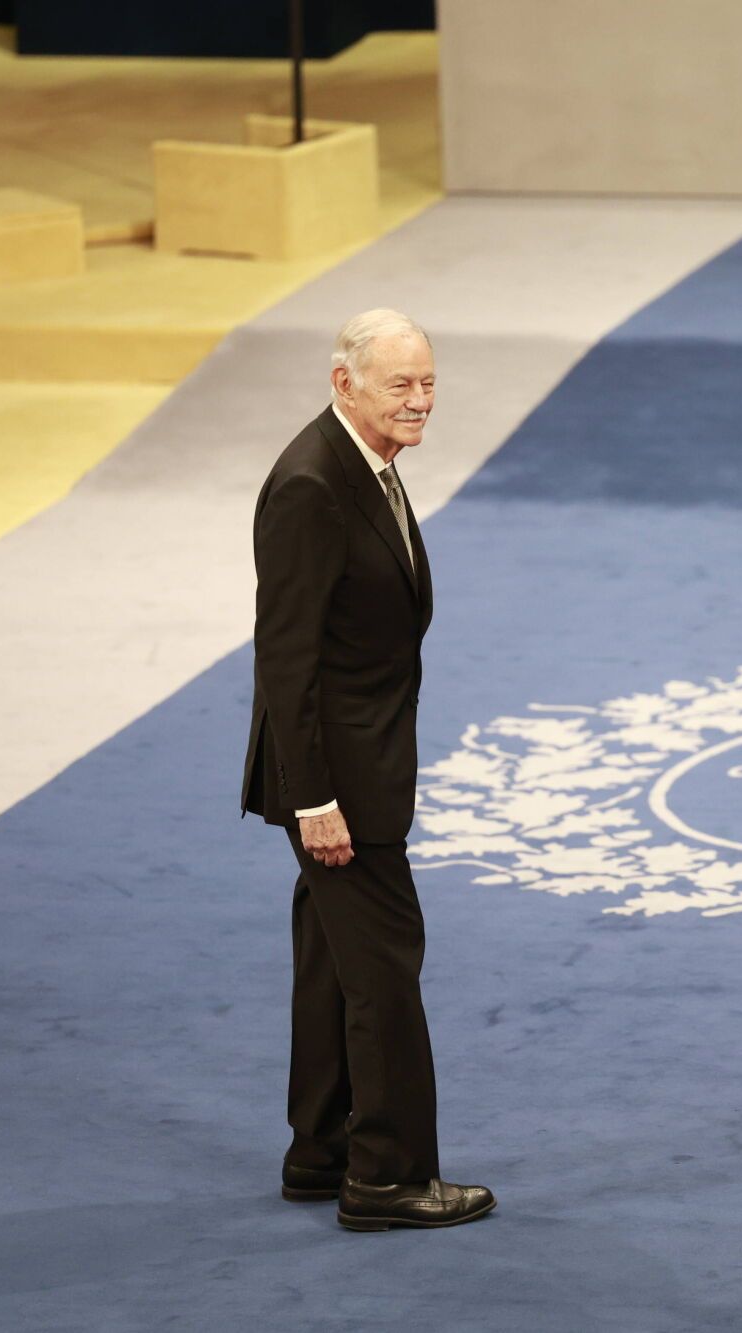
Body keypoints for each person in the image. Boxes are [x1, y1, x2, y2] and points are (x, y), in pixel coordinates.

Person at [240, 308, 495, 1232]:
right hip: (340, 788)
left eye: (429, 382)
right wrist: (315, 800)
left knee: (332, 956)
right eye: (402, 385)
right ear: (345, 383)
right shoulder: (313, 484)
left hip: (355, 769)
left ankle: (320, 1149)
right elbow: (287, 657)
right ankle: (387, 1175)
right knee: (386, 965)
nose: (421, 400)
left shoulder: (364, 463)